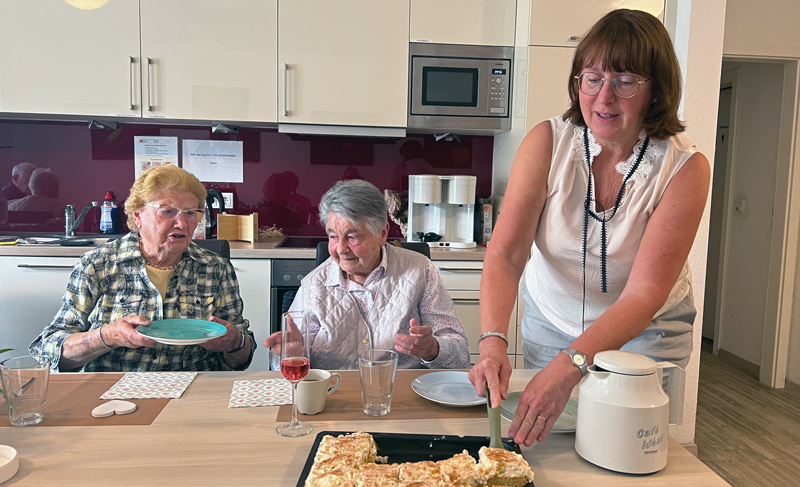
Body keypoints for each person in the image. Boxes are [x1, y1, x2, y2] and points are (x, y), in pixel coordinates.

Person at [468, 9, 710, 447]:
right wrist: (491, 342)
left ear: (656, 90)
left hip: (647, 331)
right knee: (555, 444)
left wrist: (570, 364)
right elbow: (505, 255)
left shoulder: (684, 168)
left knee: (631, 451)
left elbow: (643, 294)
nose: (603, 97)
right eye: (593, 78)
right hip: (552, 321)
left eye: (625, 81)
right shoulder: (548, 142)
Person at [30, 164, 256, 372]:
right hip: (112, 392)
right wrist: (107, 336)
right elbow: (49, 351)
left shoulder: (215, 268)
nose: (182, 223)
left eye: (190, 213)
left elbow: (241, 361)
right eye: (168, 211)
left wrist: (235, 342)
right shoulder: (98, 264)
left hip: (194, 388)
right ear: (137, 216)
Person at [263, 179, 470, 370]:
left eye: (352, 237)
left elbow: (460, 355)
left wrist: (432, 349)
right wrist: (289, 354)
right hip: (334, 396)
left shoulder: (420, 270)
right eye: (333, 236)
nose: (341, 249)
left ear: (382, 233)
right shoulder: (314, 285)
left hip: (403, 397)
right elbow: (284, 364)